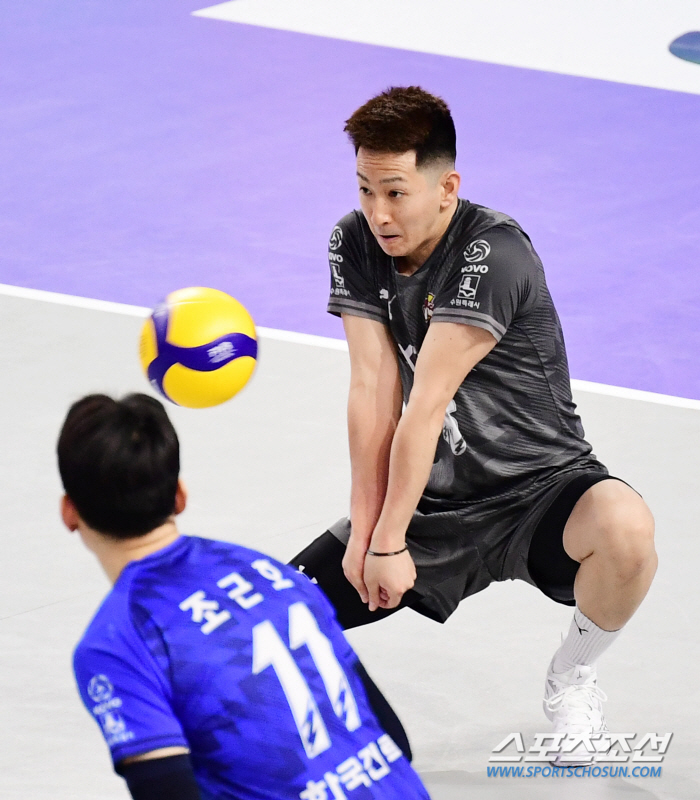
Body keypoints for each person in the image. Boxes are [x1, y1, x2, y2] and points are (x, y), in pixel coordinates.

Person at [291, 86, 657, 764]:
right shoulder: (354, 240)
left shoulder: (493, 253)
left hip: (540, 490)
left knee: (626, 530)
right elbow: (372, 391)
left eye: (395, 193)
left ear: (446, 188)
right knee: (279, 617)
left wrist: (386, 543)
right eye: (365, 189)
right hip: (432, 501)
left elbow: (426, 403)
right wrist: (365, 533)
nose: (377, 212)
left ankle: (573, 676)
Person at [59, 393, 431, 800]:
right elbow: (395, 741)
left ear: (69, 513)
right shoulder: (268, 572)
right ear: (179, 496)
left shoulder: (118, 641)